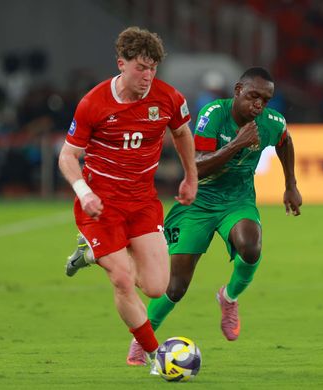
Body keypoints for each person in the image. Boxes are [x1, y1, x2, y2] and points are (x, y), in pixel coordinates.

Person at [132, 67, 302, 363]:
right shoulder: (213, 114)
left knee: (251, 246)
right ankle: (142, 339)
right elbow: (196, 167)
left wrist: (291, 185)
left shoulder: (272, 122)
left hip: (238, 200)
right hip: (199, 200)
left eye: (265, 99)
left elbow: (285, 142)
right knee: (175, 287)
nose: (259, 104)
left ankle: (229, 298)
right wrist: (237, 143)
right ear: (238, 91)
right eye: (253, 96)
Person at [58, 26, 197, 373]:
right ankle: (156, 356)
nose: (148, 76)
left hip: (143, 203)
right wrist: (84, 192)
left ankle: (91, 253)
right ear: (121, 64)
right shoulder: (93, 103)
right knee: (121, 278)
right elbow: (66, 156)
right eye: (140, 68)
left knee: (156, 287)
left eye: (153, 68)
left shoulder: (168, 98)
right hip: (100, 206)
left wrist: (190, 178)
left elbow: (182, 133)